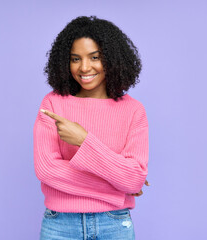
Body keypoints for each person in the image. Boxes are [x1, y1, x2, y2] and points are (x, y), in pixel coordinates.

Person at [33, 15, 150, 240]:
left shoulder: (134, 111)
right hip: (60, 225)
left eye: (95, 57)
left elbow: (134, 179)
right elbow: (47, 170)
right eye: (75, 59)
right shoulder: (53, 103)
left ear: (113, 58)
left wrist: (84, 140)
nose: (84, 67)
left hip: (114, 224)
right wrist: (118, 185)